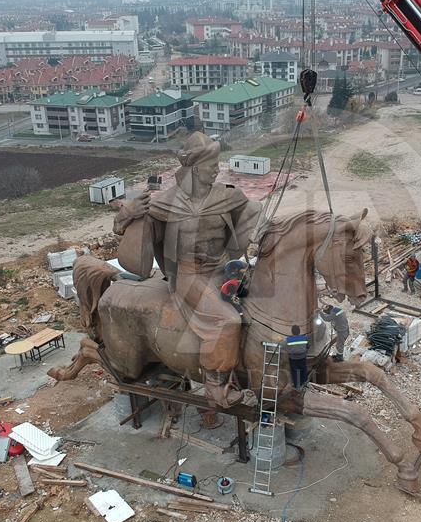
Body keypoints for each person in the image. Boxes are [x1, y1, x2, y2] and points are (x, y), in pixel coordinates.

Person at [112, 132, 260, 409]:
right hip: (189, 277)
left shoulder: (228, 197)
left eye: (218, 162)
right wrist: (126, 214)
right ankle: (215, 386)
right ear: (192, 167)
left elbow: (251, 215)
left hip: (224, 269)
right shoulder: (163, 204)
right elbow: (125, 232)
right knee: (227, 321)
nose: (217, 168)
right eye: (210, 163)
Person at [284, 324, 309, 389]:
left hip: (293, 359)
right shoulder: (304, 338)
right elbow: (308, 346)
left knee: (294, 372)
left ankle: (296, 386)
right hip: (302, 357)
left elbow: (282, 346)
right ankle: (304, 383)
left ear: (292, 332)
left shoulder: (288, 339)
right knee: (303, 369)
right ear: (299, 331)